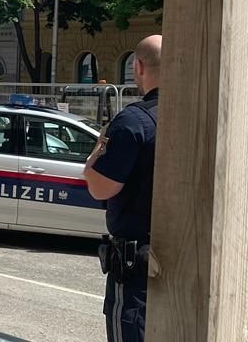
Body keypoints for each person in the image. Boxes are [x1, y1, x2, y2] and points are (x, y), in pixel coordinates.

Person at [84, 34, 161, 342]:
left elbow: (99, 188)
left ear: (138, 67)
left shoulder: (133, 121)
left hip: (139, 264)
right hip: (194, 257)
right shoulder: (201, 116)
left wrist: (96, 152)